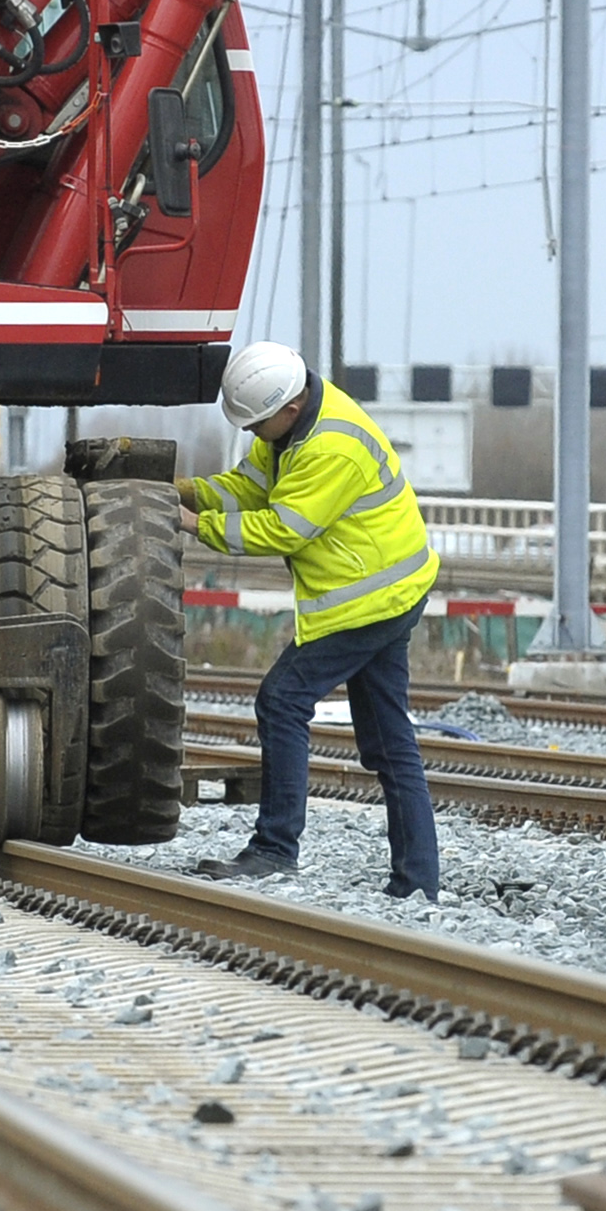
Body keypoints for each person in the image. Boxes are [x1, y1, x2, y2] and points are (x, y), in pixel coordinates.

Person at [182, 342, 443, 898]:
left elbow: (281, 528)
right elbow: (247, 487)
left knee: (282, 700)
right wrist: (184, 493)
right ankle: (419, 883)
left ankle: (275, 849)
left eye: (258, 424)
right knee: (389, 743)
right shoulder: (293, 428)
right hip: (389, 591)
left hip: (369, 601)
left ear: (290, 409)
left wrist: (190, 525)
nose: (253, 434)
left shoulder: (331, 449)